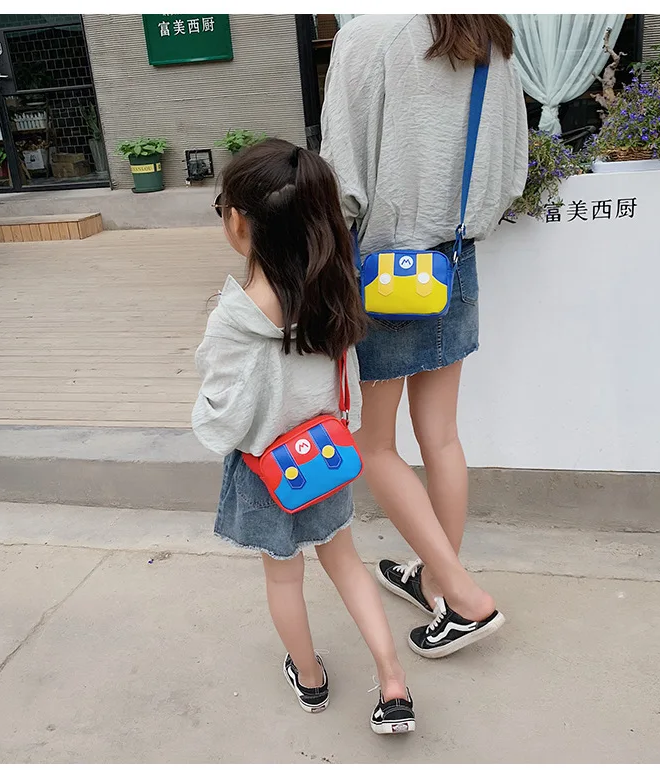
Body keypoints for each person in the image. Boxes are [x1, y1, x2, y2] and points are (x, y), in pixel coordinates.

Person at [320, 15, 528, 657]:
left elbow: (340, 179)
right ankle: (435, 581)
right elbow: (511, 171)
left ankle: (463, 597)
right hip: (454, 260)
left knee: (374, 444)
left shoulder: (368, 36)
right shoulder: (490, 36)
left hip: (381, 269)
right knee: (441, 437)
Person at [191, 139, 415, 735]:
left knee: (284, 576)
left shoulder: (234, 318)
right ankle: (393, 680)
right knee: (346, 563)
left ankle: (311, 677)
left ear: (239, 222)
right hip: (327, 458)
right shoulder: (333, 295)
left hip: (268, 472)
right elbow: (349, 389)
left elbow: (222, 421)